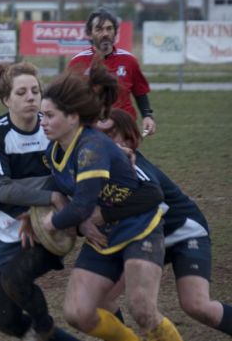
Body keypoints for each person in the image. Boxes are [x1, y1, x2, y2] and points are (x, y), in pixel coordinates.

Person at [37, 63, 182, 340]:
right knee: (77, 312)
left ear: (72, 117)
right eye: (42, 115)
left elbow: (81, 205)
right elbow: (57, 182)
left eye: (50, 115)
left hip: (140, 228)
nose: (42, 121)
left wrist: (53, 221)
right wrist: (53, 197)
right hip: (104, 236)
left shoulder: (92, 148)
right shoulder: (54, 149)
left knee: (142, 309)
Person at [96, 109, 232, 336]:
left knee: (196, 305)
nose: (103, 141)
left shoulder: (134, 166)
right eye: (99, 135)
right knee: (101, 297)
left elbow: (151, 198)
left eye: (111, 134)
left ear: (129, 140)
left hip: (184, 232)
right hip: (146, 236)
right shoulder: (97, 166)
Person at [0, 63, 80, 341]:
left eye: (35, 91)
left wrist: (54, 208)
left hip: (50, 228)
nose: (31, 97)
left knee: (15, 279)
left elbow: (74, 176)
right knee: (7, 321)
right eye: (21, 92)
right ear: (6, 100)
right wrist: (51, 196)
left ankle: (45, 328)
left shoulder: (53, 128)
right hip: (7, 231)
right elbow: (2, 189)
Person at [68, 8, 156, 137]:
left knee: (127, 157)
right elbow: (67, 98)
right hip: (91, 130)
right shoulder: (77, 63)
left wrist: (147, 115)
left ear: (115, 32)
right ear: (89, 33)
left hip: (124, 129)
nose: (105, 33)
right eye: (99, 29)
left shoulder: (129, 60)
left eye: (109, 29)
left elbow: (140, 92)